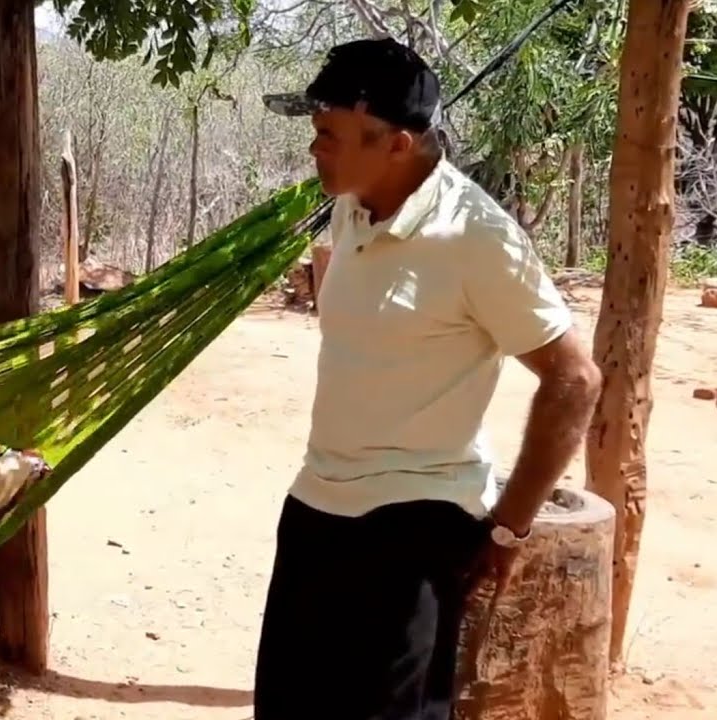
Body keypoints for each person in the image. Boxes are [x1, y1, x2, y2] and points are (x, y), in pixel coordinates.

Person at [256, 38, 602, 719]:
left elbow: (575, 379)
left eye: (329, 134)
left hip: (412, 529)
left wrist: (510, 527)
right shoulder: (352, 206)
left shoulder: (477, 238)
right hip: (317, 509)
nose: (314, 149)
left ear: (398, 144)